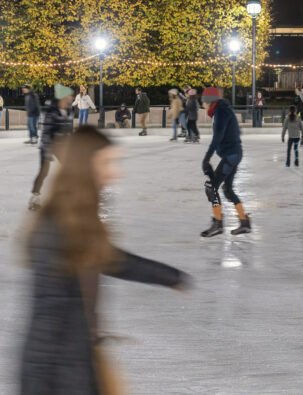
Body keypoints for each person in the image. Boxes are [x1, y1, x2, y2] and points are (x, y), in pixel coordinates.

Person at [20, 125, 190, 394]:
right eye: (107, 163)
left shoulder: (76, 217)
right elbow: (45, 324)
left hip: (81, 364)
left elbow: (109, 258)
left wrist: (168, 277)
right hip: (62, 376)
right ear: (84, 165)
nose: (115, 173)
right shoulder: (55, 230)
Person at [199, 87, 251, 237]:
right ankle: (244, 223)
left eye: (203, 101)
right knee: (227, 190)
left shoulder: (220, 112)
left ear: (209, 101)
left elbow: (218, 137)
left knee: (212, 188)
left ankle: (218, 223)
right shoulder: (222, 110)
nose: (202, 104)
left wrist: (207, 157)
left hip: (231, 155)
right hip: (233, 154)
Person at [29, 84, 75, 210]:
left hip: (61, 146)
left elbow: (70, 130)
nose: (72, 98)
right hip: (48, 145)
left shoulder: (70, 110)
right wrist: (47, 153)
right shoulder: (51, 111)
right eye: (70, 96)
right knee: (44, 172)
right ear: (63, 97)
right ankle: (34, 198)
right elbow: (46, 133)